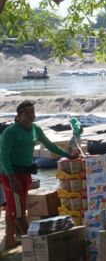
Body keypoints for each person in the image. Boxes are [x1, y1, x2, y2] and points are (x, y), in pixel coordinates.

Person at [0, 101, 82, 249]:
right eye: (28, 113)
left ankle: (10, 239)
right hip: (10, 174)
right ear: (19, 116)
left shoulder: (35, 129)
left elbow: (49, 145)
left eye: (33, 112)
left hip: (25, 173)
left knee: (15, 206)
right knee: (18, 210)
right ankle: (31, 241)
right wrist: (11, 178)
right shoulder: (11, 132)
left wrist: (68, 156)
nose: (32, 115)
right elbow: (3, 157)